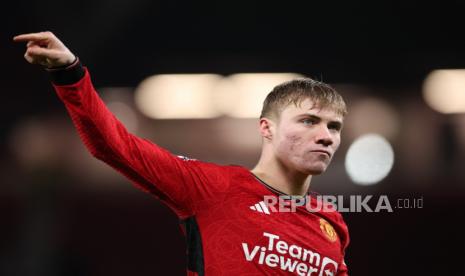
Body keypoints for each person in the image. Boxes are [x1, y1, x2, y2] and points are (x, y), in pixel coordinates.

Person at [14, 31, 349, 276]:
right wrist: (70, 74)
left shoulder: (330, 224)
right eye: (308, 121)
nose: (324, 136)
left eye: (333, 127)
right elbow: (114, 145)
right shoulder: (211, 187)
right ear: (267, 128)